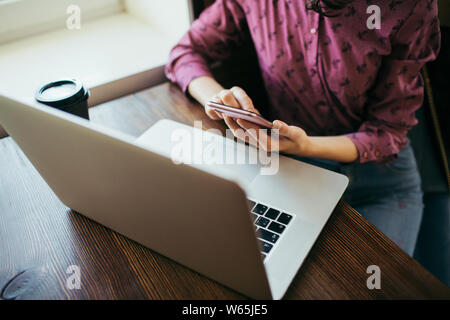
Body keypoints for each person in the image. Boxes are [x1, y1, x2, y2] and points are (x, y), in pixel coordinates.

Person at [165, 0, 440, 256]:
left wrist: (306, 145)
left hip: (379, 182)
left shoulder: (411, 6)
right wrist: (220, 100)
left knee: (373, 286)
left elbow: (388, 132)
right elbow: (186, 53)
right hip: (294, 172)